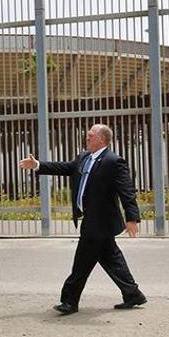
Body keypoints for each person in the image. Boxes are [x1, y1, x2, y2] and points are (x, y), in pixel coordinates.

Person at [18, 124, 146, 313]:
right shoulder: (83, 157)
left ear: (101, 139)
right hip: (90, 220)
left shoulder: (113, 161)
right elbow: (64, 167)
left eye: (90, 135)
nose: (86, 138)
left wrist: (132, 217)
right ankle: (132, 293)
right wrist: (37, 165)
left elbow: (126, 191)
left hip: (100, 223)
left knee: (82, 263)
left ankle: (69, 301)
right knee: (111, 258)